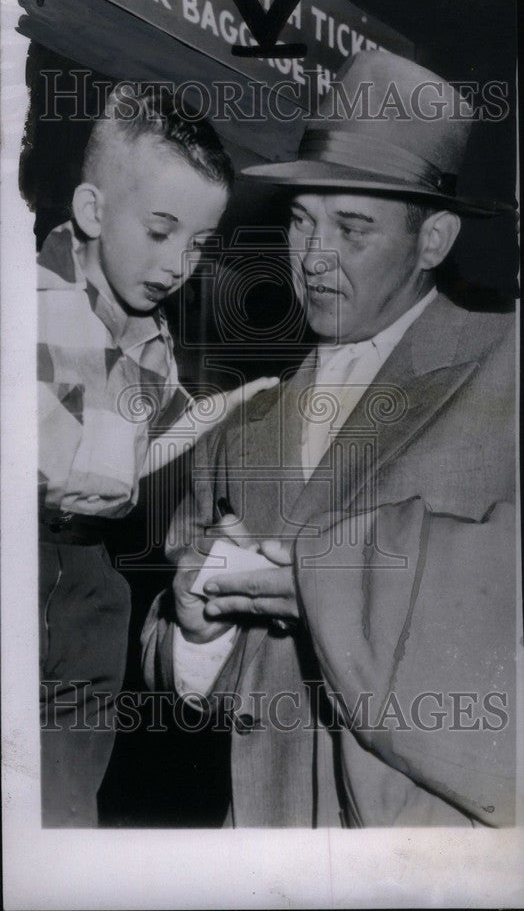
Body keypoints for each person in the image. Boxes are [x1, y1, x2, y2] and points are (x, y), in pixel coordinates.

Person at [142, 51, 517, 827]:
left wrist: (328, 583)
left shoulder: (507, 368)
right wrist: (192, 630)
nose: (313, 259)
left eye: (352, 228)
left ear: (435, 239)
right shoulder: (242, 422)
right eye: (302, 221)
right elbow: (170, 651)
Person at [37, 85, 277, 827]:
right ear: (92, 211)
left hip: (88, 611)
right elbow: (74, 478)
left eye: (199, 244)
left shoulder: (152, 336)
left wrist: (216, 412)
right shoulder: (38, 304)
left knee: (66, 820)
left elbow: (122, 474)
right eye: (161, 230)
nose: (179, 264)